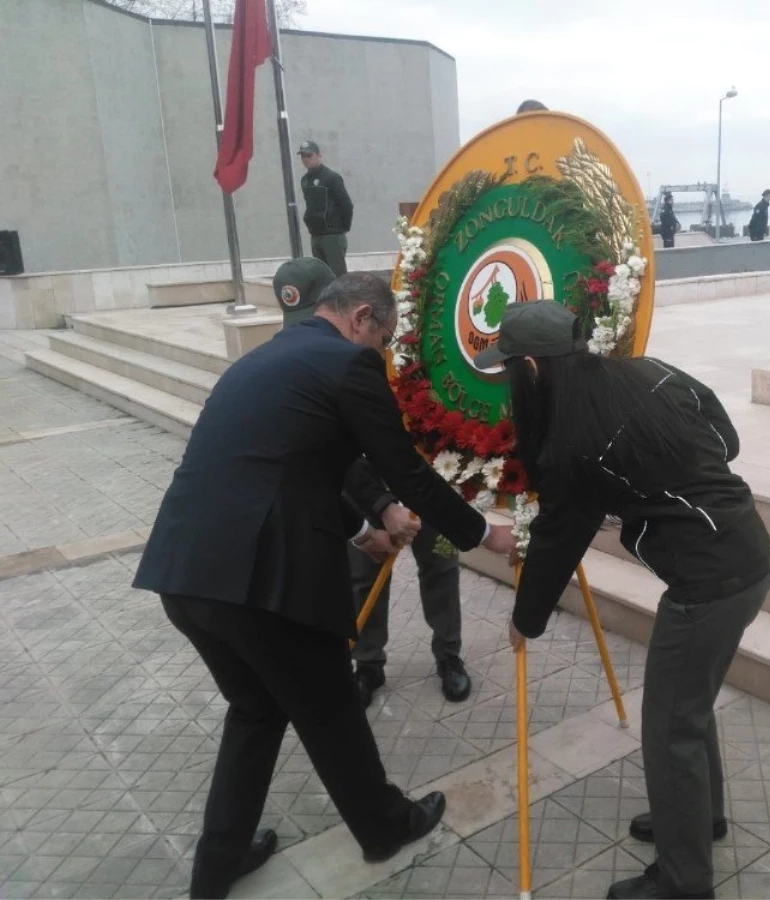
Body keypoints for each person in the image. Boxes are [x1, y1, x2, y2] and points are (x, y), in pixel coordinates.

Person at [133, 273, 514, 900]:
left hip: (185, 573)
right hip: (262, 585)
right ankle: (385, 826)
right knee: (332, 710)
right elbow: (407, 476)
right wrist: (483, 535)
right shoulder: (347, 364)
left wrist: (362, 528)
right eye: (384, 339)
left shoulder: (261, 362)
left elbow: (283, 465)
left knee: (257, 710)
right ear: (362, 316)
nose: (382, 355)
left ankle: (219, 862)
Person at [476, 302, 770, 900]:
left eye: (509, 369)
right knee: (686, 711)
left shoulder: (572, 440)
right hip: (742, 556)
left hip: (709, 583)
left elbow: (562, 533)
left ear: (531, 367)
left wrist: (524, 618)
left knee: (669, 728)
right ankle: (698, 819)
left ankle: (683, 881)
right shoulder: (647, 372)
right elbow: (724, 436)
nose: (510, 382)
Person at [272, 257, 473, 707]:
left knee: (441, 565)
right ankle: (368, 663)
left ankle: (449, 656)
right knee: (362, 574)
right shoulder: (311, 357)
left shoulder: (406, 342)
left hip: (430, 480)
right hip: (365, 488)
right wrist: (381, 501)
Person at [298, 139, 354, 276]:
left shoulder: (331, 177)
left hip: (332, 235)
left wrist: (341, 228)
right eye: (303, 156)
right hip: (316, 234)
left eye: (309, 155)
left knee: (337, 276)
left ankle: (341, 299)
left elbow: (346, 205)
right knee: (321, 276)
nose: (306, 159)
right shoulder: (305, 180)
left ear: (318, 155)